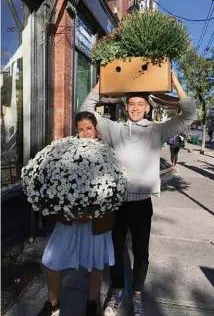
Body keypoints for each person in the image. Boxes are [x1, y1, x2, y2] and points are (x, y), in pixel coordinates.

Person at [80, 70, 196, 316]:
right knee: (117, 251)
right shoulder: (114, 129)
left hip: (142, 204)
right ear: (125, 108)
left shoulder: (157, 131)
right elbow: (86, 108)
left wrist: (175, 81)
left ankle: (137, 296)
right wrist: (105, 81)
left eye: (140, 104)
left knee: (141, 254)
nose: (135, 108)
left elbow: (189, 114)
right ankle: (118, 291)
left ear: (147, 108)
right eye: (131, 104)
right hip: (117, 204)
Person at [38, 111, 115, 316]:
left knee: (96, 264)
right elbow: (56, 186)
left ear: (96, 129)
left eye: (89, 128)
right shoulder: (66, 151)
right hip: (70, 219)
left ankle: (92, 303)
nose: (85, 133)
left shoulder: (106, 152)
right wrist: (70, 209)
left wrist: (94, 209)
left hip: (96, 220)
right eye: (80, 129)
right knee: (55, 260)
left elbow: (114, 188)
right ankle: (52, 304)